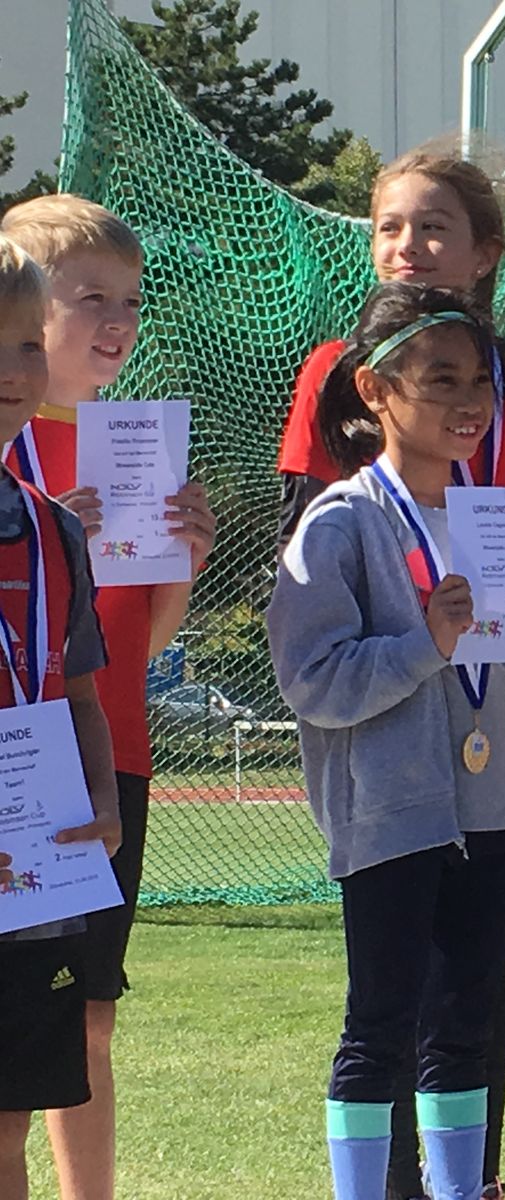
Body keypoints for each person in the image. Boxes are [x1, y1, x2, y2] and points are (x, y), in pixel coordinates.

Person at [273, 145, 505, 1200]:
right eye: (439, 380)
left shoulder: (496, 503)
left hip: (491, 790)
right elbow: (312, 675)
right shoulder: (341, 517)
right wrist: (423, 646)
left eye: (477, 381)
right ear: (376, 389)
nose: (468, 401)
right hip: (390, 802)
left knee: (467, 1020)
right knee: (382, 1022)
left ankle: (463, 1189)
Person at [0, 195, 216, 1200]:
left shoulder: (137, 444)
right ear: (32, 306)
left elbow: (128, 653)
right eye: (92, 297)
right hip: (18, 766)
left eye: (130, 300)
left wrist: (184, 566)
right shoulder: (16, 450)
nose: (118, 319)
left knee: (86, 1017)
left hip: (101, 763)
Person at [0, 232, 122, 1200]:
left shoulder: (54, 528)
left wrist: (103, 801)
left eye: (28, 346)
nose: (13, 371)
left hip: (29, 881)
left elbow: (79, 689)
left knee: (7, 1123)